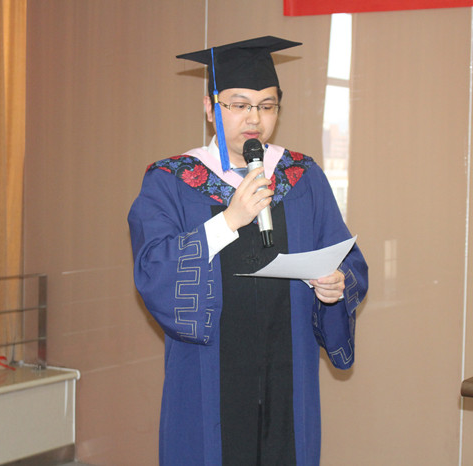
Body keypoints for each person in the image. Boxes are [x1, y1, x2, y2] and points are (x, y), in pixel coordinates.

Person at [128, 36, 368, 466]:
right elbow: (153, 268)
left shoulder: (301, 176)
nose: (254, 118)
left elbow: (346, 257)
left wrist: (337, 283)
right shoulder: (171, 180)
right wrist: (228, 220)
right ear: (210, 108)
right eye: (239, 105)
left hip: (287, 369)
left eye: (267, 105)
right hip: (208, 370)